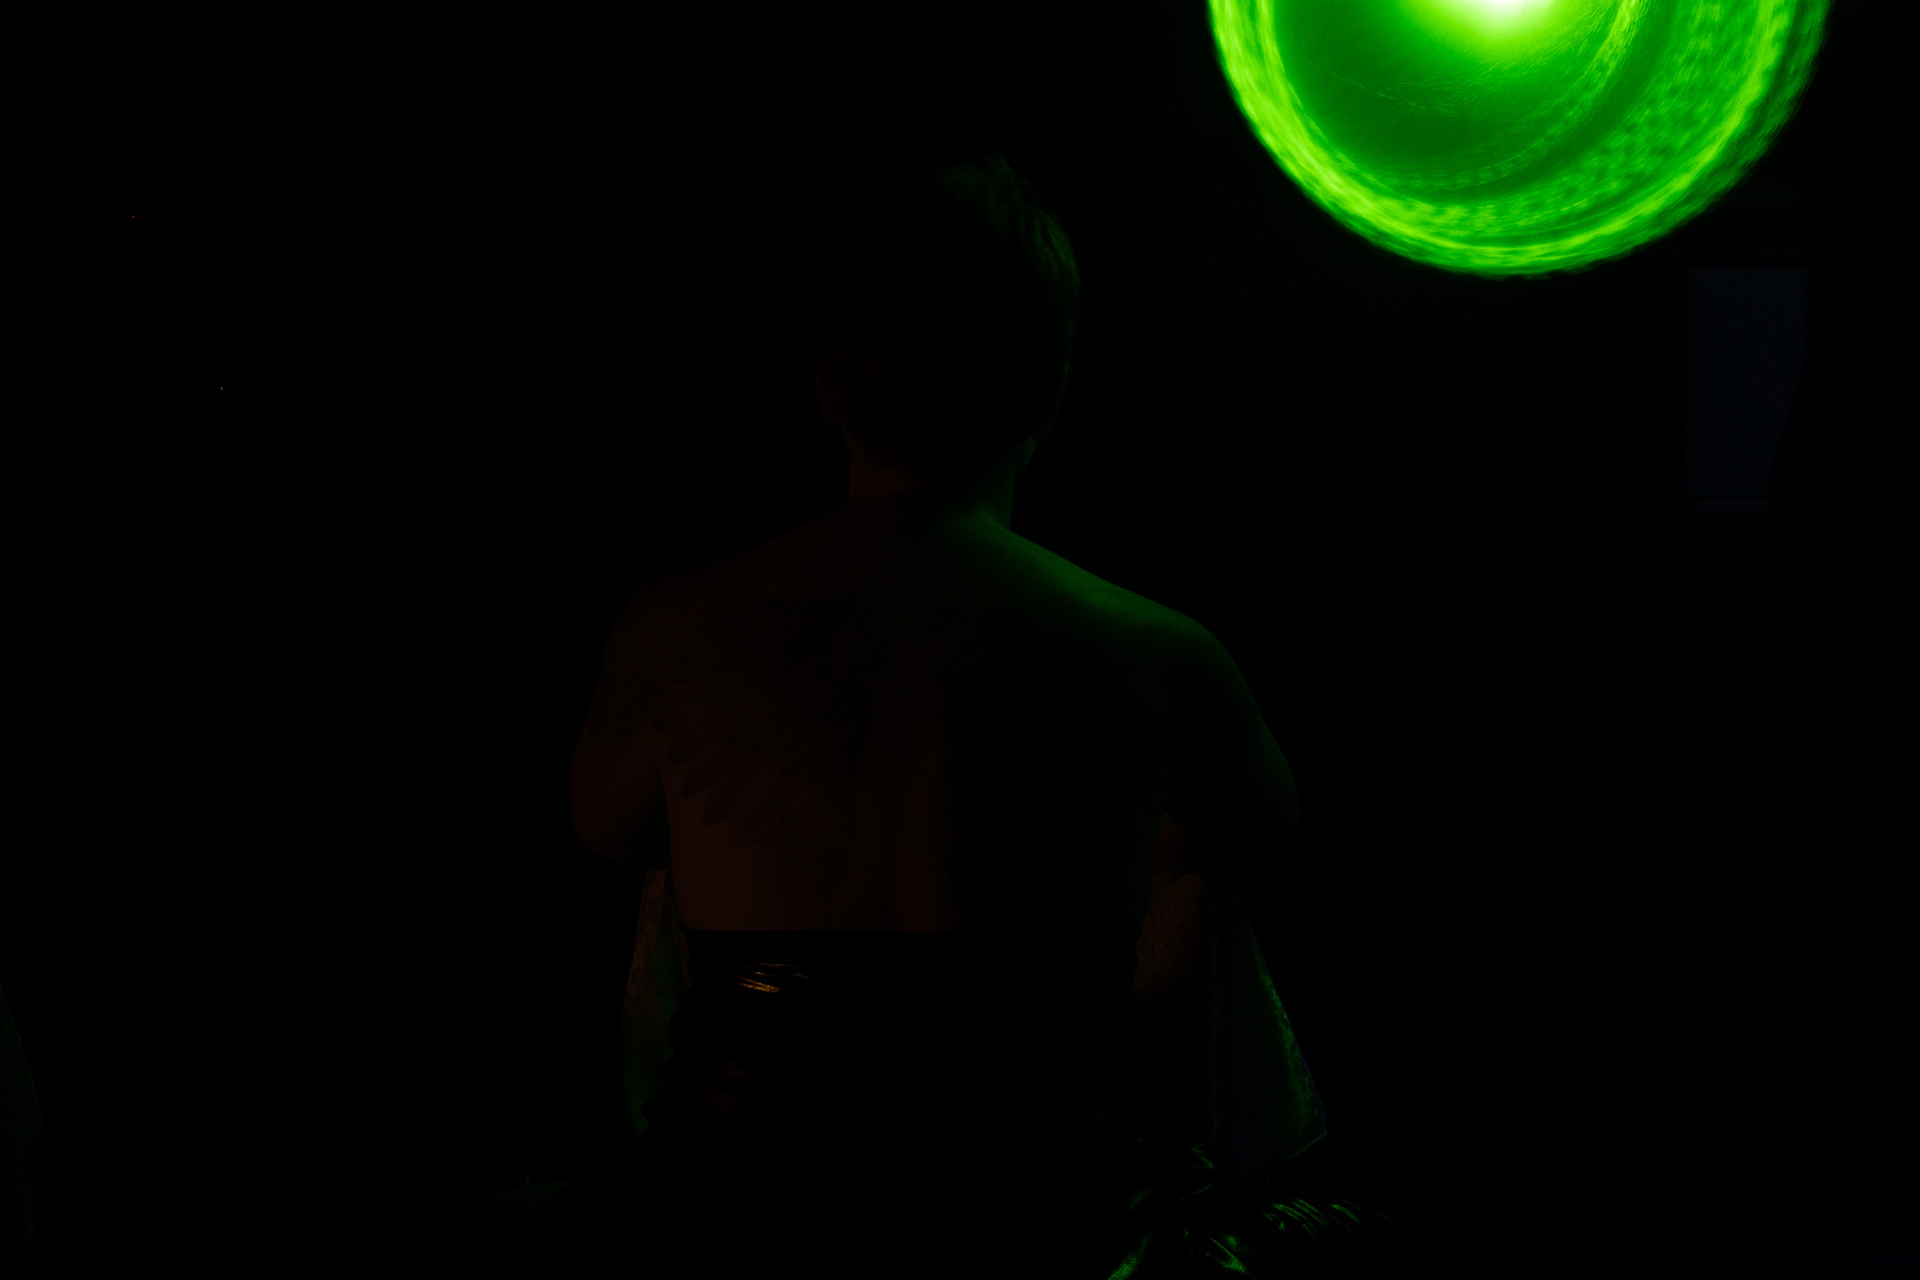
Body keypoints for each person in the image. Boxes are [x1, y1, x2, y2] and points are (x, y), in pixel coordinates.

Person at [413, 144, 1393, 1278]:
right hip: (1040, 1218)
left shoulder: (676, 623)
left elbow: (612, 828)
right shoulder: (1159, 651)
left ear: (825, 382)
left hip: (735, 1209)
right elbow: (1260, 835)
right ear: (1051, 386)